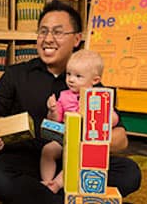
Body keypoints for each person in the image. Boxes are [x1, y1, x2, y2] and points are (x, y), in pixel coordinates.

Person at [0, 0, 141, 203]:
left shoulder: (90, 81)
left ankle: (45, 197)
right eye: (43, 31)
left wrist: (84, 141)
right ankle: (69, 198)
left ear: (76, 39)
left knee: (130, 172)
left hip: (77, 161)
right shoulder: (16, 74)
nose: (48, 39)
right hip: (26, 160)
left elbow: (121, 139)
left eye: (57, 32)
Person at [40, 49, 119, 194]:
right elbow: (56, 119)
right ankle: (47, 181)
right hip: (66, 138)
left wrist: (102, 115)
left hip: (86, 143)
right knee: (48, 150)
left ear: (95, 80)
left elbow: (114, 119)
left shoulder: (98, 97)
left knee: (77, 158)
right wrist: (52, 110)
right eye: (68, 74)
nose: (70, 79)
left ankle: (57, 184)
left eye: (78, 76)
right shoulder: (64, 96)